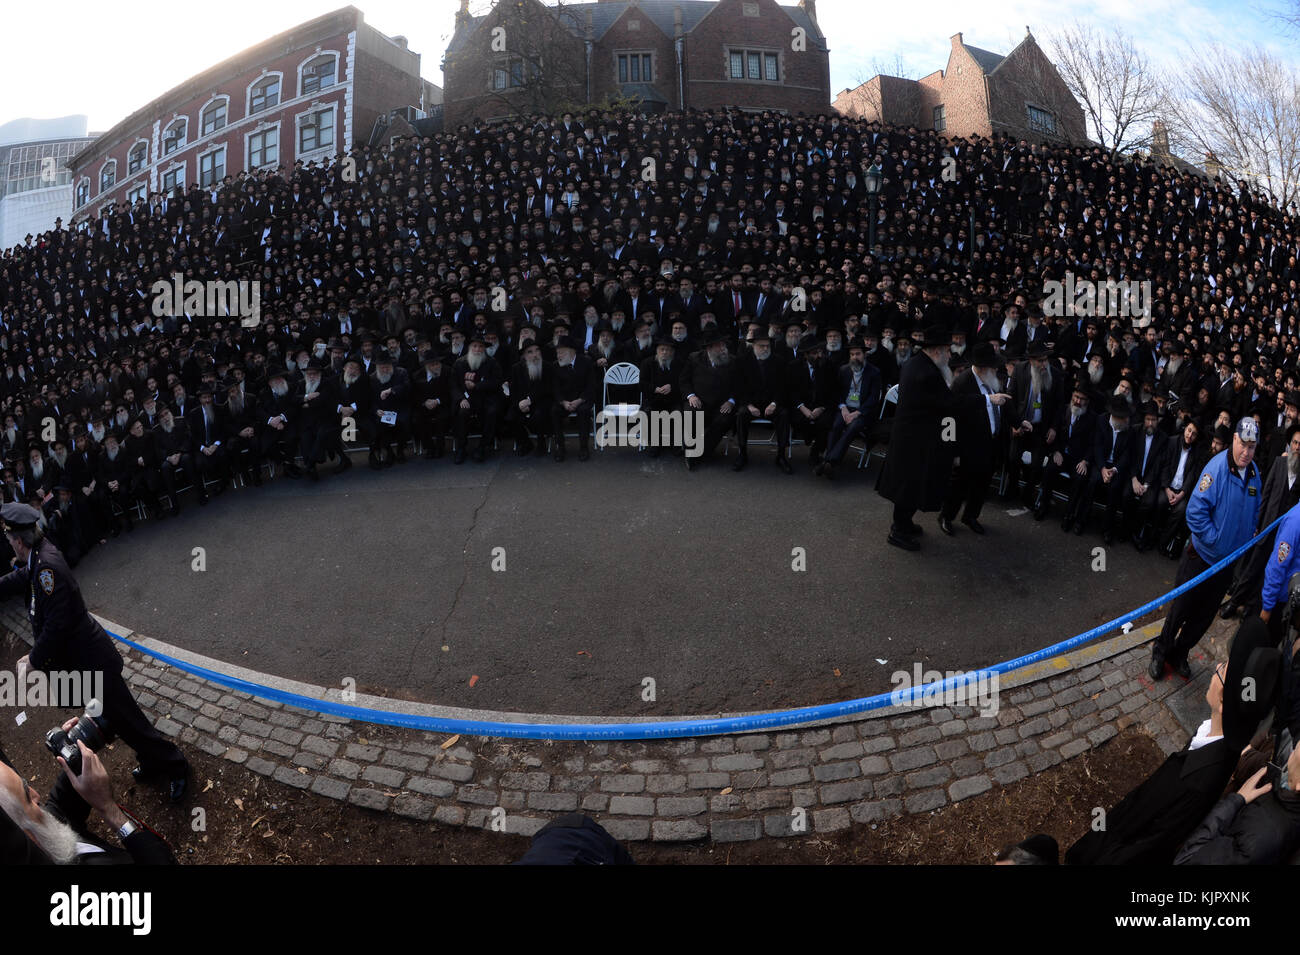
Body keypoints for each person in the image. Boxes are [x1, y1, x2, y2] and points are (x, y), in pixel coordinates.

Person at [0, 503, 189, 800]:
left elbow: (57, 625)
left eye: (10, 538)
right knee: (117, 720)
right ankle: (152, 760)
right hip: (84, 664)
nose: (9, 543)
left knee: (130, 720)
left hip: (94, 662)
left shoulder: (47, 566)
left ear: (18, 541)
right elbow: (24, 578)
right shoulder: (38, 558)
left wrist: (33, 659)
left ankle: (176, 765)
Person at [1067, 618, 1280, 864]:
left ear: (1221, 702)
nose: (1217, 667)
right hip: (1123, 821)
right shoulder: (1215, 736)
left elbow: (1150, 844)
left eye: (1222, 669)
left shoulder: (1197, 784)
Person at [1149, 418, 1264, 681]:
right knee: (1180, 610)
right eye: (1243, 445)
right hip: (1200, 558)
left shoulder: (1255, 473)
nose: (1247, 452)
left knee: (1202, 618)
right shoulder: (1217, 469)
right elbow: (1195, 513)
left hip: (1226, 566)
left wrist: (1248, 532)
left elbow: (1255, 509)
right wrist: (1217, 542)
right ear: (1234, 439)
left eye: (1252, 447)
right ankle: (1160, 651)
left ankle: (1179, 653)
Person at [878, 326, 1010, 551]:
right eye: (947, 351)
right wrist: (989, 399)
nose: (950, 356)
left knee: (909, 487)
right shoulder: (926, 373)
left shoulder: (918, 362)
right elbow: (950, 403)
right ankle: (897, 532)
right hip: (914, 441)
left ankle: (904, 524)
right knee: (908, 489)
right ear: (937, 350)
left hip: (912, 437)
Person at [0, 732, 176, 864]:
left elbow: (59, 812)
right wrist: (109, 809)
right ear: (27, 838)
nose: (36, 795)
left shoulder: (40, 838)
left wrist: (75, 756)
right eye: (27, 797)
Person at [1222, 423, 1300, 619]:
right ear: (1289, 444)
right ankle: (1234, 602)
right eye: (1295, 442)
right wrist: (1257, 524)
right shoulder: (1279, 463)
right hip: (1266, 529)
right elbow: (1264, 497)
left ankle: (1252, 609)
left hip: (1285, 537)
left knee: (1270, 575)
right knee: (1252, 569)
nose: (1298, 447)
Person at [940, 342, 1003, 535]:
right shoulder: (963, 383)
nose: (996, 369)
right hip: (967, 446)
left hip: (989, 443)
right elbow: (948, 416)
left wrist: (1018, 422)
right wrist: (953, 451)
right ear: (983, 367)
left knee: (982, 485)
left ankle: (971, 516)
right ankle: (946, 517)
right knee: (959, 486)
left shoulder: (991, 380)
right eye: (993, 366)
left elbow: (1001, 404)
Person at [818, 336, 882, 480]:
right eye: (852, 354)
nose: (854, 357)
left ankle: (828, 460)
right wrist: (843, 408)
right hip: (846, 408)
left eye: (857, 354)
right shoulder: (844, 370)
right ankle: (831, 462)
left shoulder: (874, 372)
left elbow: (873, 399)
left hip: (863, 412)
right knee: (836, 425)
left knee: (853, 427)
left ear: (864, 354)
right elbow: (837, 393)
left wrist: (857, 413)